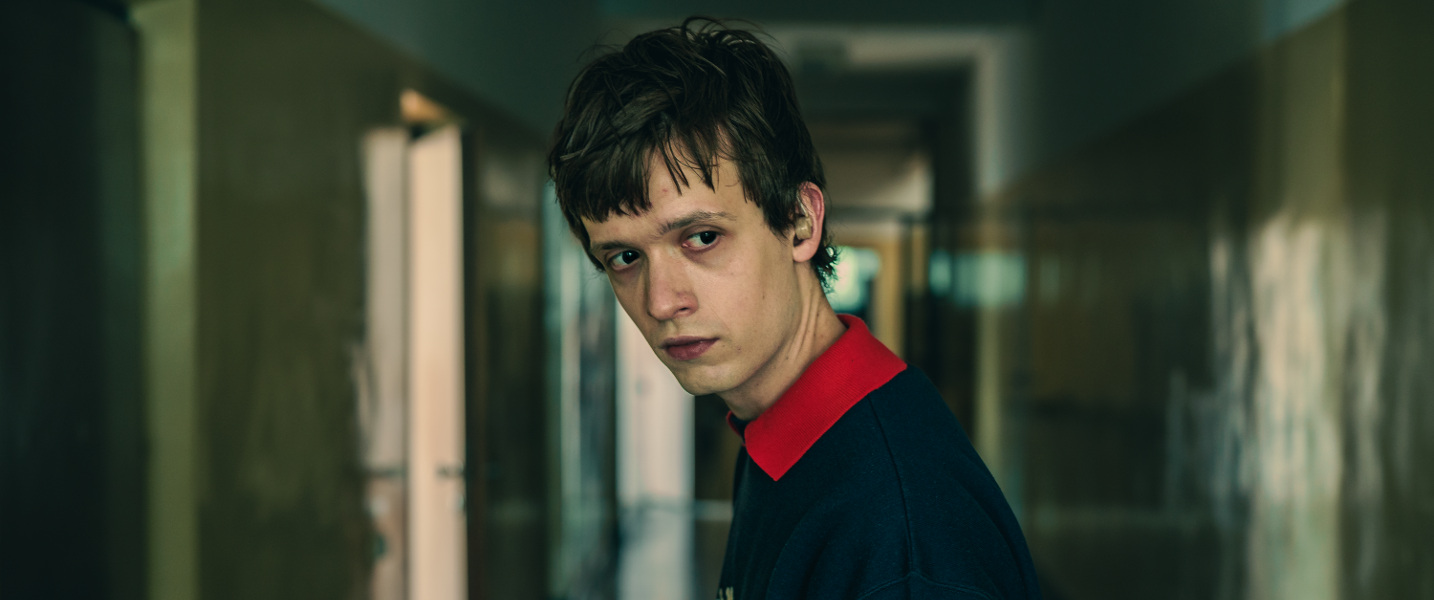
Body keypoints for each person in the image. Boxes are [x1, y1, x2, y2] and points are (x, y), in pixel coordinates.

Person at [548, 17, 1042, 600]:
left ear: (800, 222)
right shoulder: (778, 432)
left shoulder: (900, 541)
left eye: (702, 237)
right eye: (626, 257)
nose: (660, 301)